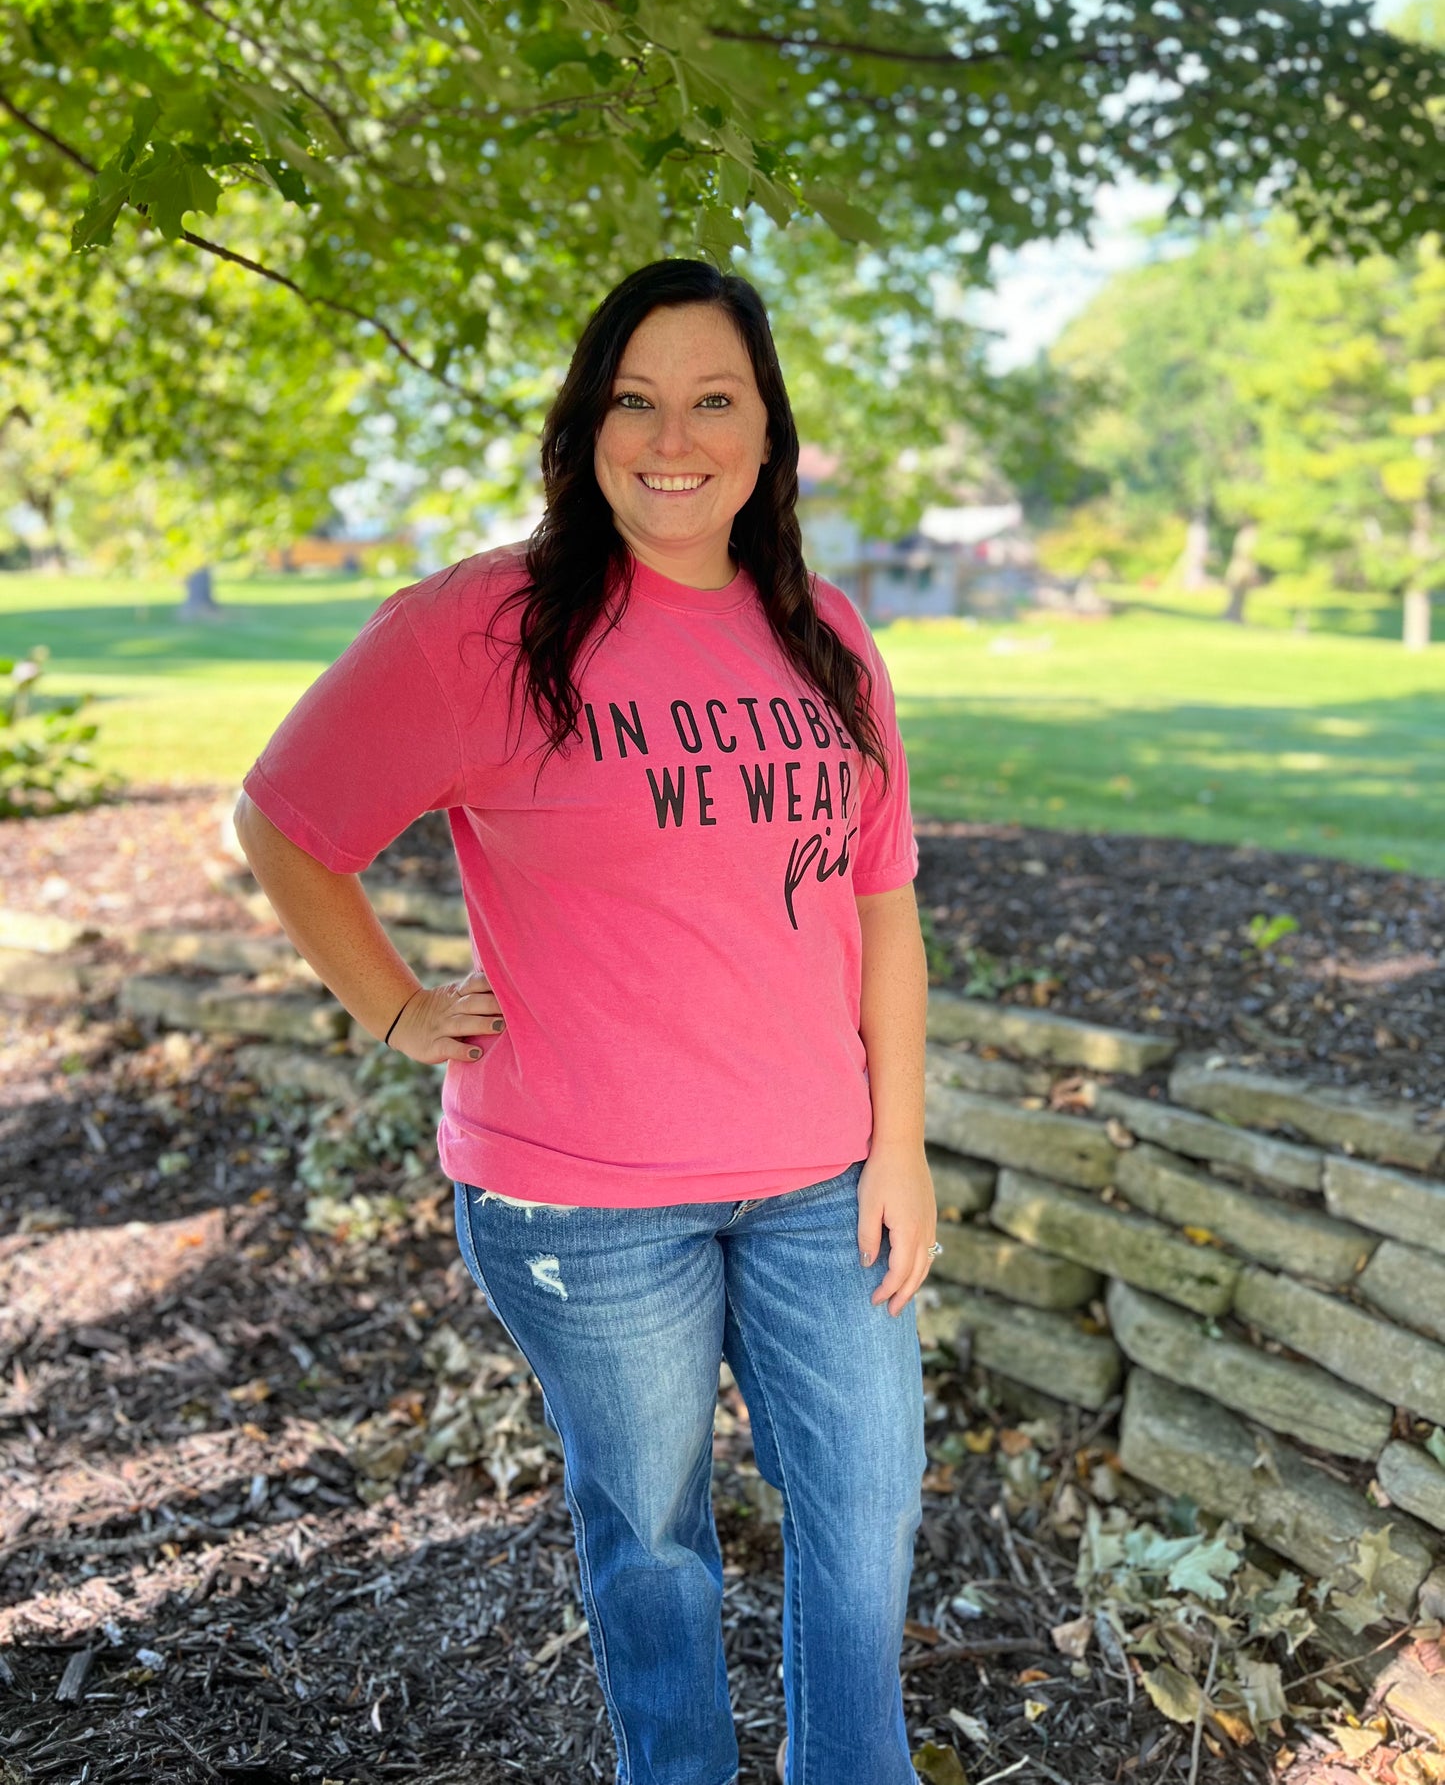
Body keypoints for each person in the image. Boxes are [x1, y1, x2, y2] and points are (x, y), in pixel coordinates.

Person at [234, 258, 941, 1785]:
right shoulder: (481, 623)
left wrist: (902, 1149)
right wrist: (398, 1006)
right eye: (634, 399)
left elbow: (877, 904)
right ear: (584, 423)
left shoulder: (821, 629)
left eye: (712, 400)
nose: (670, 436)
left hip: (822, 1180)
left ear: (766, 436)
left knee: (868, 1515)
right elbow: (287, 822)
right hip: (587, 1203)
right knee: (657, 1546)